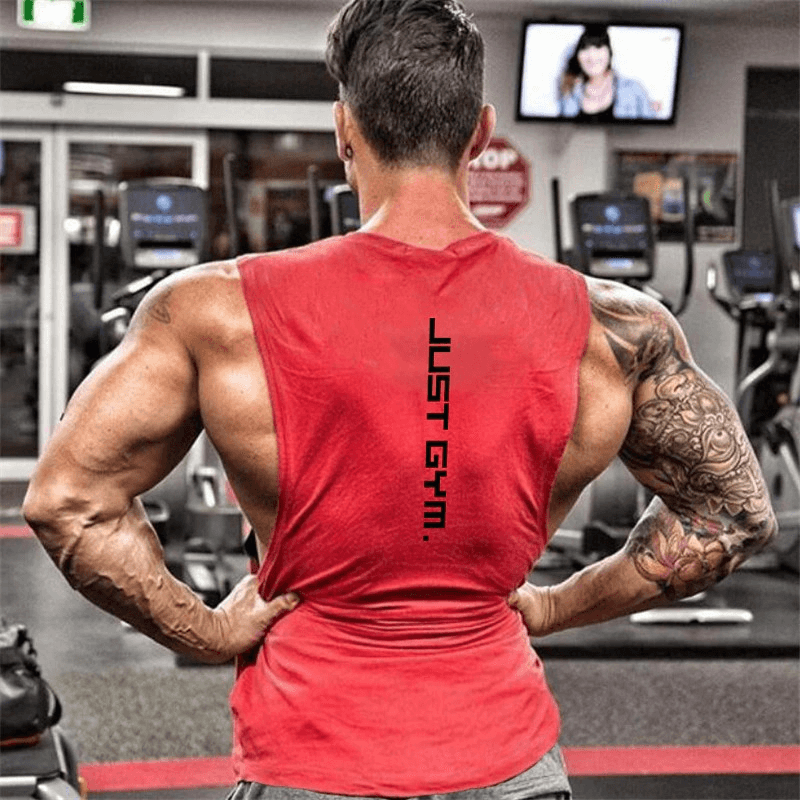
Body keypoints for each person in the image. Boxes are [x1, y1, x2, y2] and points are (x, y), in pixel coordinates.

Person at [23, 1, 775, 799]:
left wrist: (203, 630)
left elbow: (68, 502)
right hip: (509, 762)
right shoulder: (615, 328)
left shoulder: (213, 311)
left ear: (343, 130)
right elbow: (733, 514)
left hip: (311, 764)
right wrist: (554, 607)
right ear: (481, 134)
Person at [559, 25, 656, 120]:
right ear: (577, 57)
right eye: (585, 48)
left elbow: (653, 132)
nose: (592, 56)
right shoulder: (570, 94)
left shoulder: (633, 90)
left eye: (598, 47)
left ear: (609, 53)